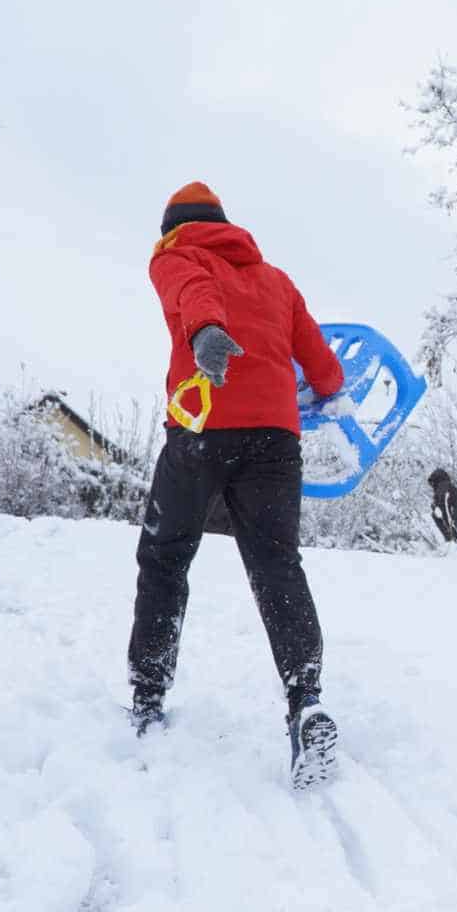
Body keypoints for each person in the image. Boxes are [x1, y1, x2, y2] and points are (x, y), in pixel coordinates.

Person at [126, 181, 346, 790]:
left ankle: (147, 696)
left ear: (173, 226)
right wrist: (333, 390)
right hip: (276, 438)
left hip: (202, 426)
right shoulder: (277, 281)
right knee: (278, 566)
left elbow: (192, 293)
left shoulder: (175, 256)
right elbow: (320, 359)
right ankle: (306, 700)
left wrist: (204, 335)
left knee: (166, 557)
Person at [428, 468, 457, 543]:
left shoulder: (442, 486)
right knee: (454, 519)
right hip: (454, 504)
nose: (431, 486)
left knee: (446, 520)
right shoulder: (446, 485)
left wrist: (435, 506)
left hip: (449, 505)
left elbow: (443, 505)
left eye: (432, 483)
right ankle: (454, 538)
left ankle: (452, 539)